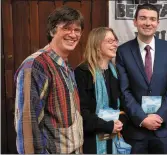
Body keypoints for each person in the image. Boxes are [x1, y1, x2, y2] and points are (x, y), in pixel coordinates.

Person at [14, 6, 84, 154]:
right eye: (66, 28)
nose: (73, 34)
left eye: (77, 30)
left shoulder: (66, 65)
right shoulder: (35, 65)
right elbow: (27, 125)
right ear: (52, 31)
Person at [115, 3, 167, 154]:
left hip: (163, 129)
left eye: (152, 19)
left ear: (157, 23)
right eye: (143, 18)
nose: (148, 23)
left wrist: (160, 116)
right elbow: (124, 90)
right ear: (135, 22)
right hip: (136, 130)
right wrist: (142, 119)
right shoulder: (123, 51)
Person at [74, 27, 124, 154]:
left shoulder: (115, 72)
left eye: (115, 41)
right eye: (110, 41)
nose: (115, 44)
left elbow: (121, 106)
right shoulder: (82, 72)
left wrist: (118, 123)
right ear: (97, 44)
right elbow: (81, 113)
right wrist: (107, 126)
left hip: (113, 138)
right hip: (91, 141)